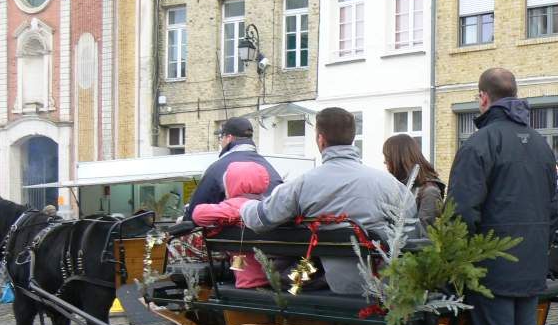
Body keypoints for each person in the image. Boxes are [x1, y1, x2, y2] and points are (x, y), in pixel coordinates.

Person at [448, 67, 558, 325]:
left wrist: (461, 259)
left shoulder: (481, 143)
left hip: (491, 267)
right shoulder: (542, 144)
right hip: (530, 266)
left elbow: (460, 212)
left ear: (483, 98)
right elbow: (553, 209)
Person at [239, 108, 419, 295]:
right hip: (388, 286)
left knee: (291, 274)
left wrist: (244, 205)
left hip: (339, 285)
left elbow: (260, 219)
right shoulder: (390, 184)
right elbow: (412, 231)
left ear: (320, 139)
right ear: (352, 138)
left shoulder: (302, 184)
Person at [183, 117, 282, 221]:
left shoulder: (217, 168)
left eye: (221, 137)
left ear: (229, 138)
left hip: (231, 235)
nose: (221, 142)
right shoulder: (269, 168)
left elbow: (194, 212)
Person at [191, 161, 271, 289]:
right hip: (277, 278)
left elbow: (197, 214)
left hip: (250, 281)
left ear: (231, 184)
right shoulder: (268, 205)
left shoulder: (231, 206)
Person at [383, 134, 445, 228]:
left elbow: (427, 237)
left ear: (397, 159)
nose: (384, 162)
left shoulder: (429, 192)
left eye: (387, 158)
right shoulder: (399, 187)